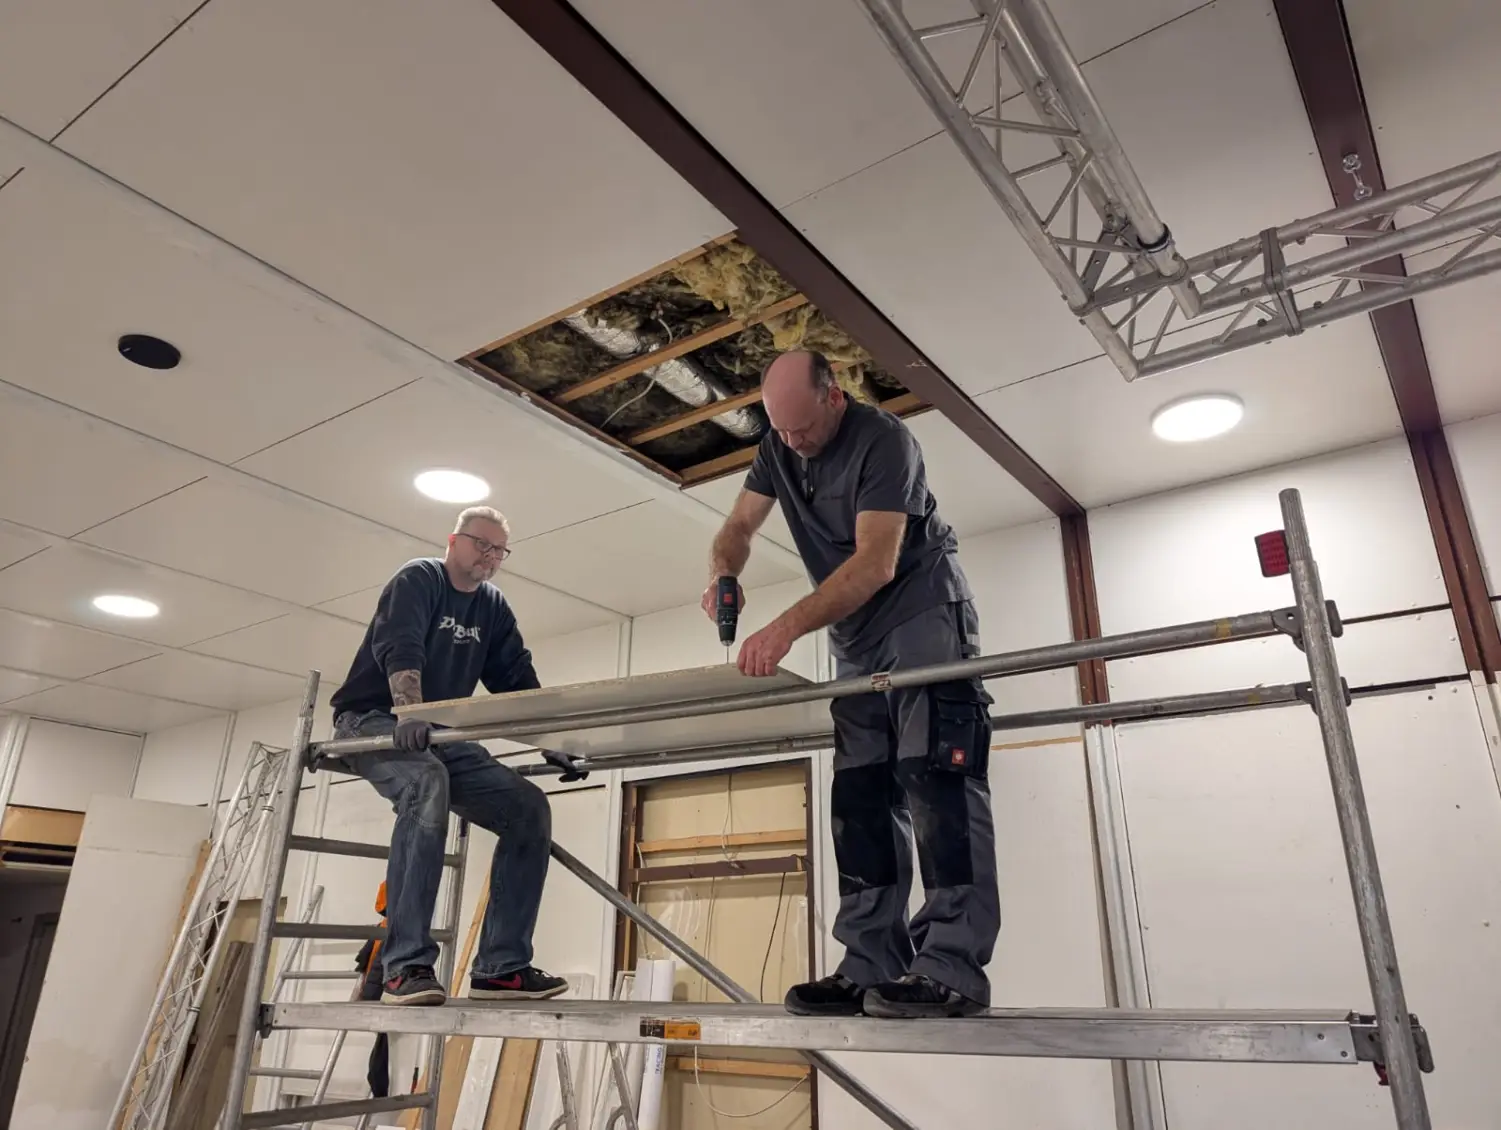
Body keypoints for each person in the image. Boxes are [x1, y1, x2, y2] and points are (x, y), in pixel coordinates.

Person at [701, 350, 999, 1019]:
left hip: (921, 611)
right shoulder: (779, 445)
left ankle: (951, 966)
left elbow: (875, 564)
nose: (792, 442)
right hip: (854, 638)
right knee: (860, 794)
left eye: (803, 427)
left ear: (833, 396)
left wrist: (784, 628)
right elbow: (738, 526)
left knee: (935, 776)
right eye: (780, 430)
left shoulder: (883, 440)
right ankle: (870, 963)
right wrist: (723, 572)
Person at [329, 505, 571, 1007]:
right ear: (453, 540)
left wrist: (554, 739)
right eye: (482, 544)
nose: (490, 556)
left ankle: (501, 968)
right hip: (372, 720)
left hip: (435, 733)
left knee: (528, 808)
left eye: (500, 550)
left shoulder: (493, 607)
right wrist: (409, 710)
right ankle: (404, 966)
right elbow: (401, 645)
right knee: (426, 783)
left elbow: (516, 681)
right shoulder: (420, 578)